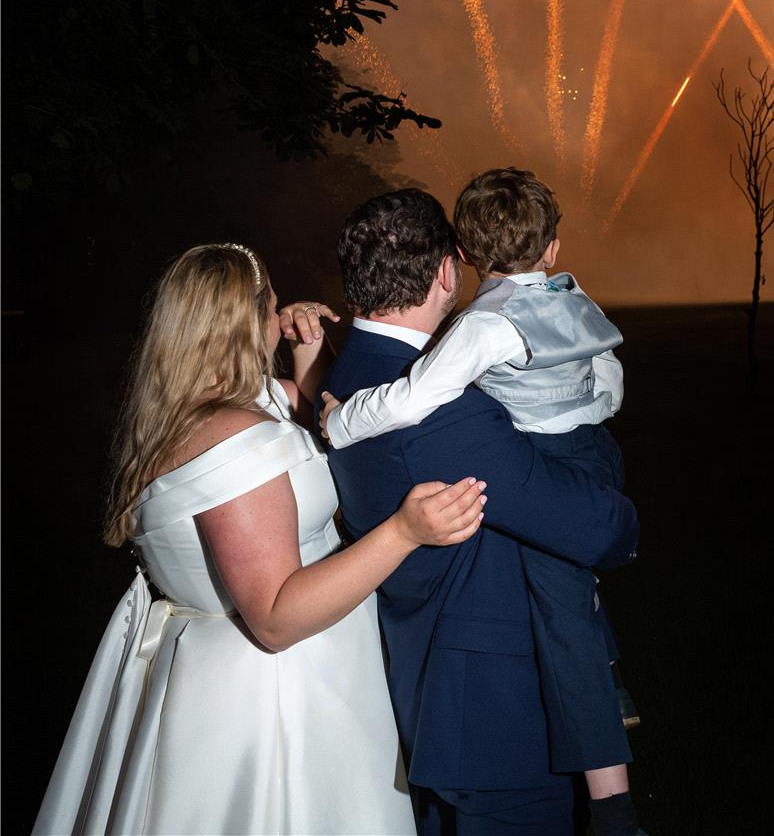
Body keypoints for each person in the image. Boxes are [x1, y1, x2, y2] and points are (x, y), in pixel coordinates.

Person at [34, 242, 486, 836]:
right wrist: (403, 532)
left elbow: (320, 421)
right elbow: (274, 616)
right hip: (276, 695)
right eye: (272, 304)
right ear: (246, 319)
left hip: (212, 677)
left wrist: (307, 355)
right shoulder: (237, 441)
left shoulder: (195, 410)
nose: (282, 313)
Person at [321, 168, 643, 836]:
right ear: (447, 271)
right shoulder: (444, 416)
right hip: (495, 711)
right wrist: (624, 515)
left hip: (431, 682)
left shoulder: (351, 372)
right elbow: (593, 527)